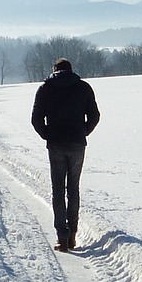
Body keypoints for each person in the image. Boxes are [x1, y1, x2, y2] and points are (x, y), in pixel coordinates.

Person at [31, 57, 99, 251]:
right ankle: (73, 236)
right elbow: (95, 116)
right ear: (71, 70)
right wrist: (83, 132)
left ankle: (62, 237)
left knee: (58, 191)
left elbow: (36, 119)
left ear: (54, 70)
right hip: (77, 144)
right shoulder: (84, 87)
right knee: (74, 189)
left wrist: (48, 135)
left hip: (56, 144)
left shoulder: (45, 89)